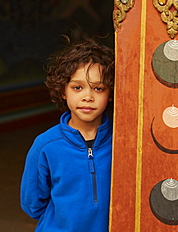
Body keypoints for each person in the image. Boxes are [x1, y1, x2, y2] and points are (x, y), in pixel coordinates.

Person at [20, 38, 115, 232]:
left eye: (98, 88)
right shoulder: (46, 145)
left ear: (111, 93)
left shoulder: (123, 141)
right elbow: (32, 204)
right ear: (63, 90)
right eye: (77, 87)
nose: (87, 97)